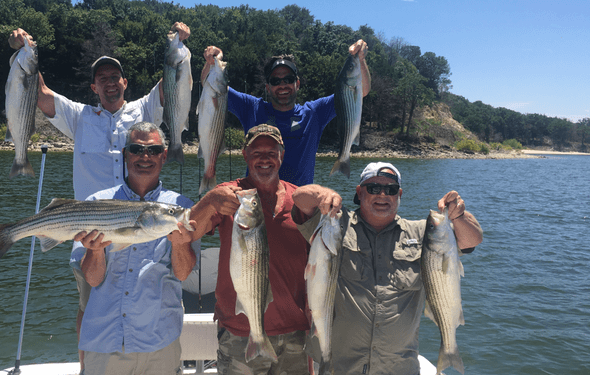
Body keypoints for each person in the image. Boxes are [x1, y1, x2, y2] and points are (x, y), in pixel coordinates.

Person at [8, 22, 190, 373]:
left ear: (125, 82)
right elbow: (41, 92)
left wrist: (180, 45)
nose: (109, 82)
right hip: (87, 230)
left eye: (115, 76)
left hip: (143, 230)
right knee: (89, 307)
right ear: (94, 86)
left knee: (147, 302)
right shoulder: (78, 117)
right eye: (102, 77)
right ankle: (87, 366)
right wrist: (25, 51)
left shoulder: (144, 110)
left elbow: (174, 83)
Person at [291, 162, 484, 375]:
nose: (382, 195)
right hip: (341, 366)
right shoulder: (334, 224)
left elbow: (471, 240)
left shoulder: (423, 234)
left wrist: (458, 216)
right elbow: (300, 200)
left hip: (398, 368)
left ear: (399, 194)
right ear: (359, 192)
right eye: (373, 188)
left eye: (391, 190)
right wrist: (322, 194)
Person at [169, 124, 312, 374]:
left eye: (271, 152)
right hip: (239, 333)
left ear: (282, 155)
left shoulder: (299, 200)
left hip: (295, 335)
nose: (264, 159)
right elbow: (190, 232)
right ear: (245, 155)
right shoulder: (228, 196)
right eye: (257, 152)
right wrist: (211, 199)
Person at [72, 121, 200, 375]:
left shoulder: (182, 208)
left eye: (153, 150)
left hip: (159, 343)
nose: (145, 156)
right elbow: (93, 279)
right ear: (125, 154)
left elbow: (183, 274)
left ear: (164, 156)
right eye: (136, 149)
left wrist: (180, 245)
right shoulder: (96, 203)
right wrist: (95, 251)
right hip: (105, 343)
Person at [201, 41, 371, 186]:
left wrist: (360, 61)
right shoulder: (252, 108)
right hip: (256, 206)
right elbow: (211, 87)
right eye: (275, 81)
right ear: (268, 87)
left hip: (298, 208)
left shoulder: (315, 113)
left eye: (288, 80)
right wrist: (211, 62)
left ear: (297, 83)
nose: (282, 85)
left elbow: (359, 92)